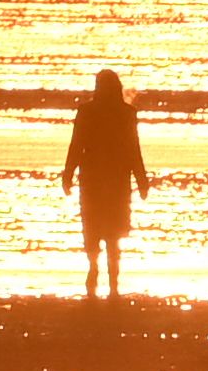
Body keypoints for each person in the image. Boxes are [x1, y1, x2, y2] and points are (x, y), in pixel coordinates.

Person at [54, 66, 155, 300]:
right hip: (116, 179)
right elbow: (133, 149)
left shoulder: (88, 111)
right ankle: (111, 282)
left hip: (94, 178)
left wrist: (68, 174)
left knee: (94, 228)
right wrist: (141, 180)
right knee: (112, 232)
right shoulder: (125, 113)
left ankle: (96, 271)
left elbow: (76, 145)